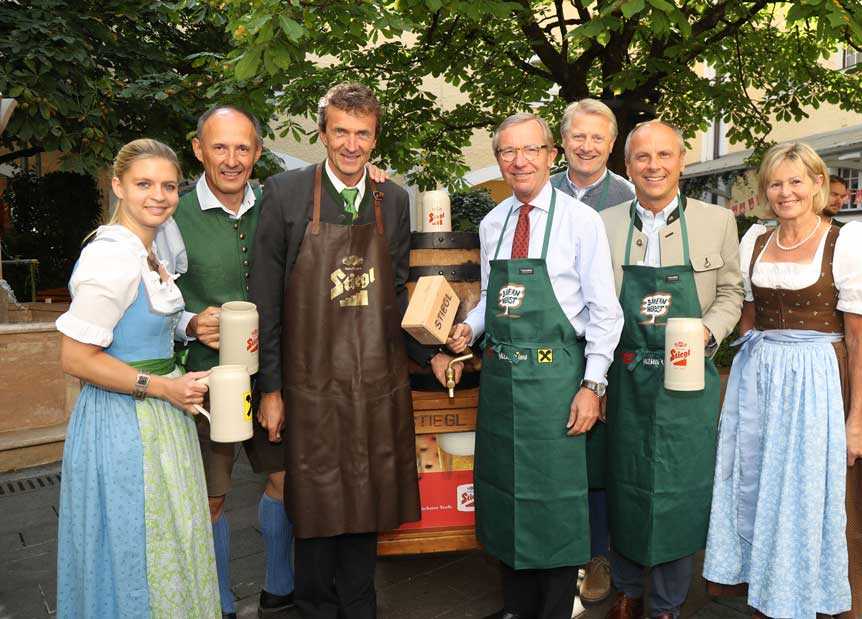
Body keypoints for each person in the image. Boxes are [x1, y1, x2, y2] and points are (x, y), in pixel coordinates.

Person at [250, 82, 434, 619]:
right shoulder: (284, 193)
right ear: (323, 132)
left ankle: (360, 609)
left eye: (363, 134)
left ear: (375, 138)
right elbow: (265, 298)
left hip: (376, 383)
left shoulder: (392, 199)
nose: (351, 145)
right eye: (341, 132)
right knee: (315, 509)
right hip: (308, 387)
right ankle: (313, 609)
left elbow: (395, 292)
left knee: (365, 503)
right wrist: (270, 388)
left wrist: (429, 354)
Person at [446, 112, 624, 619]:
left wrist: (592, 384)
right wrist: (470, 328)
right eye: (507, 152)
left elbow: (605, 314)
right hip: (502, 381)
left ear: (551, 155)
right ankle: (516, 607)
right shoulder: (492, 222)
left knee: (556, 501)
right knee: (505, 495)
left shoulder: (580, 221)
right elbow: (490, 300)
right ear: (498, 160)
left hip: (556, 380)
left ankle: (554, 608)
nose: (519, 161)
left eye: (530, 150)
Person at [703, 142, 862, 619]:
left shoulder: (847, 242)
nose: (786, 192)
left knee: (807, 490)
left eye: (796, 181)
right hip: (759, 378)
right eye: (776, 183)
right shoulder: (756, 240)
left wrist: (855, 422)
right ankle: (767, 589)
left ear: (818, 184)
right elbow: (747, 322)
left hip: (818, 380)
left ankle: (805, 595)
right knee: (759, 483)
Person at [55, 138, 219, 618]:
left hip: (160, 418)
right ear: (117, 186)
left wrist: (189, 323)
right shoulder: (109, 258)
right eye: (144, 183)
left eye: (168, 185)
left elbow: (140, 323)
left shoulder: (148, 250)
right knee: (134, 545)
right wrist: (163, 386)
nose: (159, 196)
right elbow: (77, 358)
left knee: (168, 540)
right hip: (124, 423)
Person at [155, 106, 296, 619]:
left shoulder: (280, 204)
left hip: (273, 373)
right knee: (211, 496)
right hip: (204, 376)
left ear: (258, 152)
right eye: (220, 147)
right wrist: (190, 322)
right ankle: (214, 603)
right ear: (198, 150)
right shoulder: (172, 216)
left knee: (284, 479)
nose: (232, 159)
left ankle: (280, 590)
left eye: (243, 148)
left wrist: (371, 179)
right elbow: (153, 297)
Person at [599, 120, 743, 619]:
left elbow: (730, 293)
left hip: (688, 377)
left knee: (679, 487)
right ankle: (626, 589)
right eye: (642, 157)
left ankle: (665, 602)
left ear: (683, 161)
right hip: (625, 376)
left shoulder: (716, 221)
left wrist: (708, 332)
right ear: (628, 165)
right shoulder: (605, 224)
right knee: (624, 478)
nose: (654, 166)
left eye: (665, 155)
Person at [549, 98, 635, 606]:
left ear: (611, 144)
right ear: (563, 142)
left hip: (611, 341)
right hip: (555, 343)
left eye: (597, 138)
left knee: (600, 457)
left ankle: (599, 553)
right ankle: (563, 550)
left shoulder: (627, 196)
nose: (587, 146)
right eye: (578, 136)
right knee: (559, 450)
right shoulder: (544, 187)